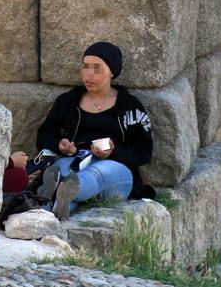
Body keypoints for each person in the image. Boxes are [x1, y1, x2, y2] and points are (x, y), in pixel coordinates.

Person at [36, 41, 154, 220]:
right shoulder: (68, 102)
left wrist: (114, 153)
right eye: (85, 67)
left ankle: (61, 191)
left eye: (97, 68)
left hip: (115, 171)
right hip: (76, 160)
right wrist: (59, 144)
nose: (89, 74)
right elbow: (44, 135)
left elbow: (144, 151)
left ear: (112, 72)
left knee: (97, 174)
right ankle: (53, 209)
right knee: (63, 169)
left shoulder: (130, 107)